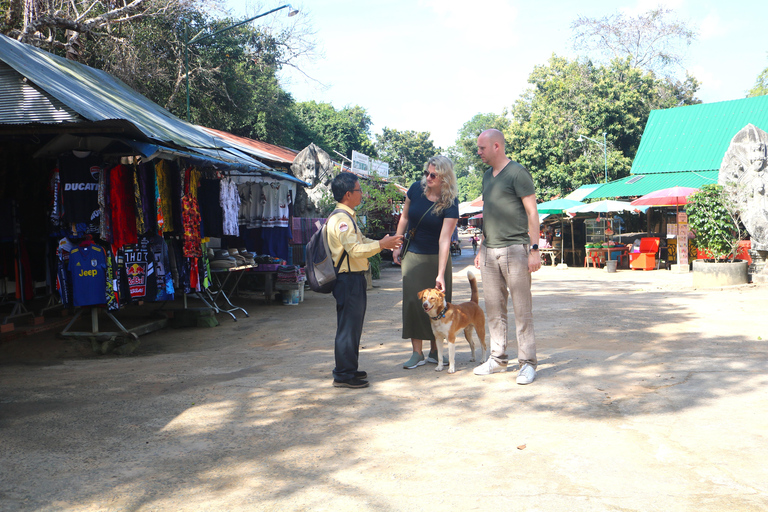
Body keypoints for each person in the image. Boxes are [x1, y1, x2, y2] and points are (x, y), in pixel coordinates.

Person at [473, 129, 541, 385]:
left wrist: (534, 250)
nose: (478, 152)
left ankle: (527, 363)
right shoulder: (486, 177)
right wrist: (481, 248)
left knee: (522, 310)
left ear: (496, 146)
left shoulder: (517, 173)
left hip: (516, 249)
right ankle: (498, 357)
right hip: (490, 251)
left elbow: (532, 213)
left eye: (482, 148)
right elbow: (488, 215)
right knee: (493, 308)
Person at [327, 172, 402, 388]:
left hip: (352, 279)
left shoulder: (346, 216)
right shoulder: (342, 219)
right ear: (348, 194)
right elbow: (355, 250)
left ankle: (349, 368)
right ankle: (343, 374)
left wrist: (382, 242)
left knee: (352, 326)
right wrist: (381, 245)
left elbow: (361, 241)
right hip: (348, 279)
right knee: (348, 328)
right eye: (359, 190)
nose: (363, 194)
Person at [392, 155, 459, 369]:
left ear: (444, 178)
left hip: (437, 257)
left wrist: (440, 273)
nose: (428, 178)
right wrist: (396, 243)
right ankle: (416, 352)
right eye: (426, 173)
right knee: (414, 302)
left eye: (433, 175)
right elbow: (404, 217)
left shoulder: (450, 202)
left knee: (438, 304)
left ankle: (435, 351)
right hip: (413, 254)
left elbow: (444, 238)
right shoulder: (415, 189)